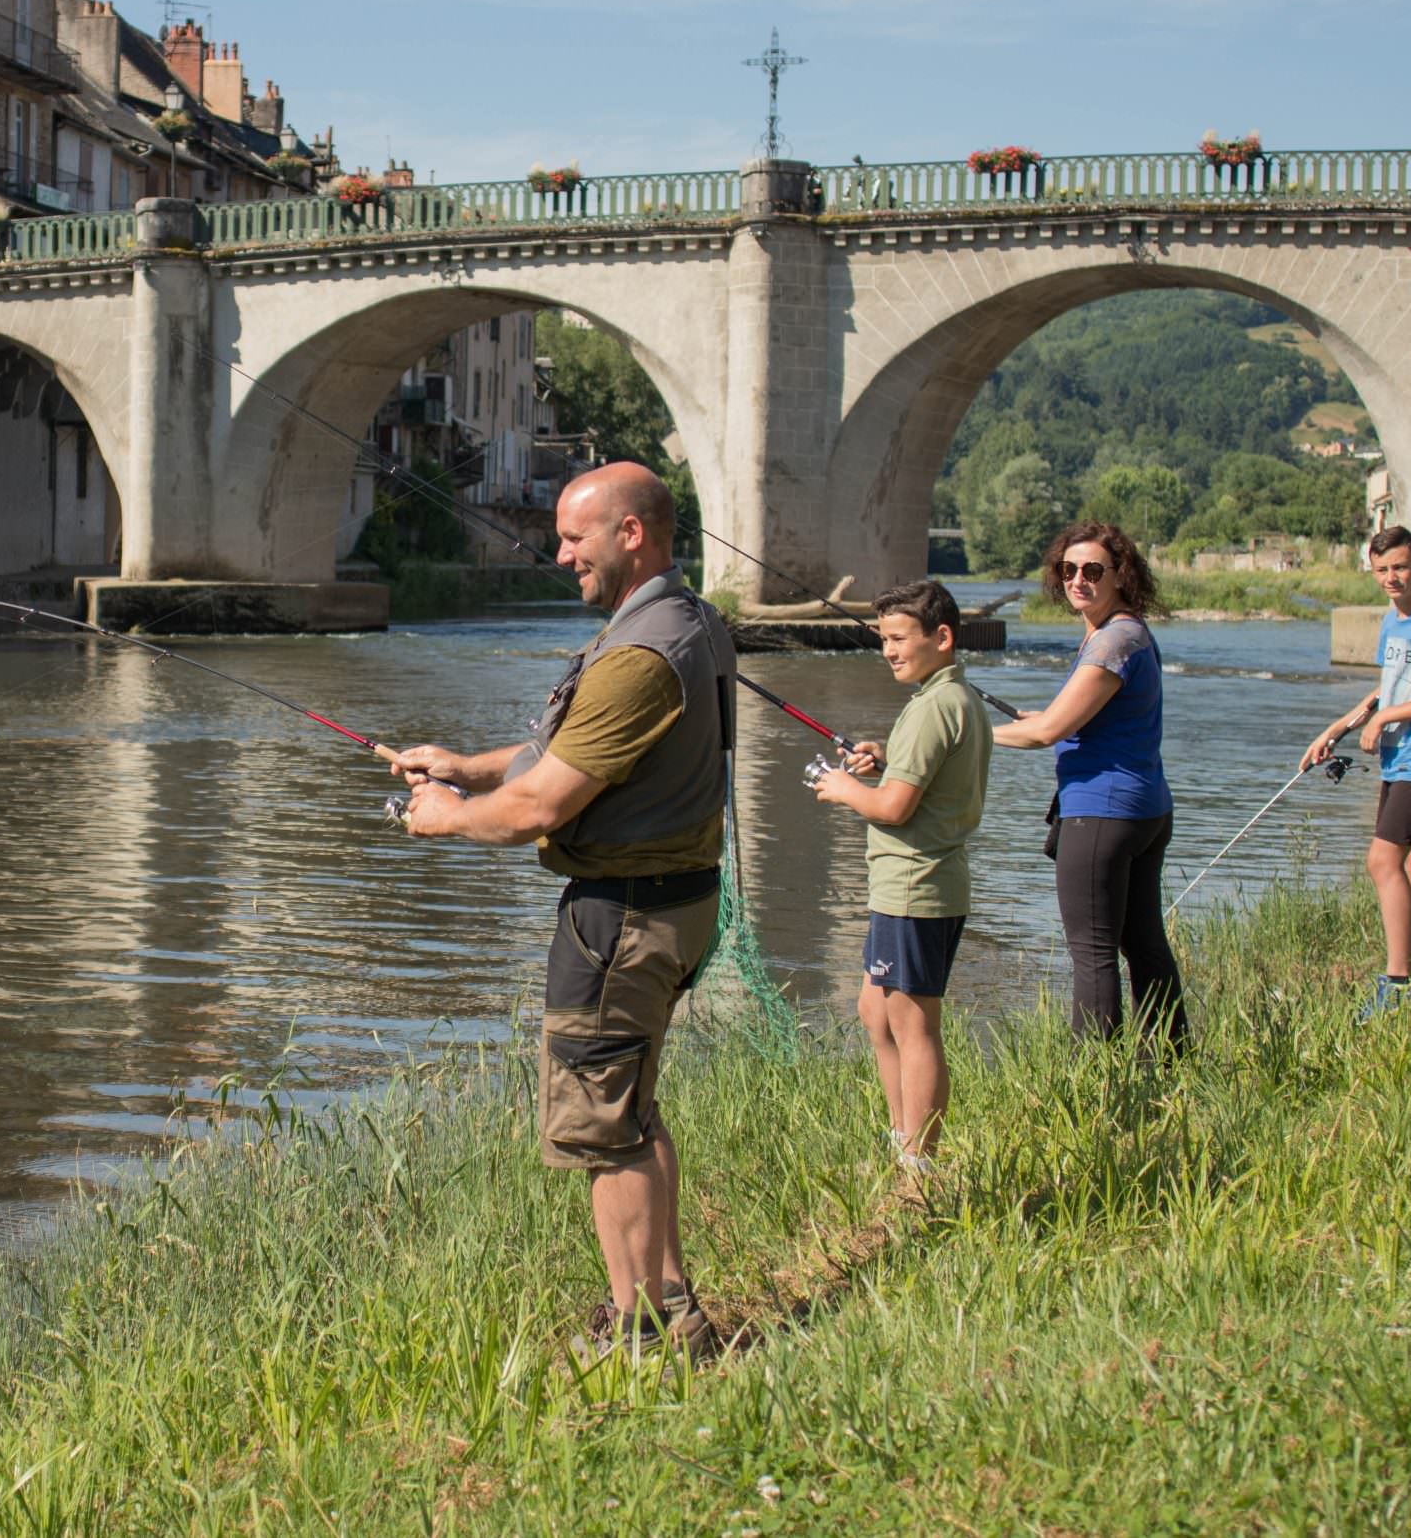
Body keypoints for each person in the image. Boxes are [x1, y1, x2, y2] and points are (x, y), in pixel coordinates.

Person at [390, 462, 734, 1360]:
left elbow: (542, 805)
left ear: (632, 533)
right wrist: (467, 764)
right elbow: (574, 749)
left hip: (621, 922)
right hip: (673, 903)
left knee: (603, 1130)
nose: (559, 554)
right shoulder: (687, 620)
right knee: (635, 1110)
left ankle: (639, 1332)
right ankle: (672, 1305)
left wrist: (447, 814)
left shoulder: (636, 657)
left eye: (575, 537)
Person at [811, 580, 992, 1180]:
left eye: (897, 639)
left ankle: (920, 1164)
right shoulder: (953, 699)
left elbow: (893, 809)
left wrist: (847, 790)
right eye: (882, 640)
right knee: (874, 1010)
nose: (888, 651)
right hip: (911, 886)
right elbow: (926, 780)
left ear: (941, 638)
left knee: (914, 1027)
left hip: (918, 886)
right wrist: (887, 763)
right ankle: (902, 1138)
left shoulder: (933, 707)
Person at [995, 522, 1186, 1048]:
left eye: (1093, 570)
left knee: (1093, 952)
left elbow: (1050, 731)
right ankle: (1174, 1060)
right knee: (1144, 944)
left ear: (1120, 575)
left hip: (1102, 812)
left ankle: (1094, 1079)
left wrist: (973, 734)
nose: (1078, 579)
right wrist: (1049, 717)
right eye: (1069, 569)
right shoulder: (1123, 630)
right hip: (1144, 809)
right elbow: (1081, 716)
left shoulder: (1113, 639)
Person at [1299, 525, 1411, 1021]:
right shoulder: (1394, 621)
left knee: (1382, 862)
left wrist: (1386, 718)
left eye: (1401, 567)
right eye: (1382, 570)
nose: (1392, 577)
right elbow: (1387, 689)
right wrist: (1339, 726)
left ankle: (1395, 984)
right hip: (1402, 758)